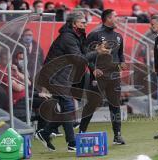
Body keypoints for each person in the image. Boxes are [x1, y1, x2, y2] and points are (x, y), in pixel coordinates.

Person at [35, 11, 106, 152]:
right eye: (82, 22)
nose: (85, 24)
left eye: (85, 22)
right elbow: (79, 58)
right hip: (55, 75)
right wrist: (97, 52)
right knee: (67, 106)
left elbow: (83, 56)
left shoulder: (77, 36)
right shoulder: (68, 37)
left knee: (70, 106)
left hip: (65, 75)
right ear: (74, 24)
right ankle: (72, 142)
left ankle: (45, 132)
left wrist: (93, 66)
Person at [79, 9, 126, 145]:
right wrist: (93, 69)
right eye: (116, 16)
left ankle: (117, 135)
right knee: (92, 105)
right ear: (108, 18)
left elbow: (121, 53)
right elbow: (85, 54)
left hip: (114, 76)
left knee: (115, 106)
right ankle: (81, 132)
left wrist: (122, 62)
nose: (118, 19)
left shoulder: (118, 36)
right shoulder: (95, 35)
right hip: (99, 77)